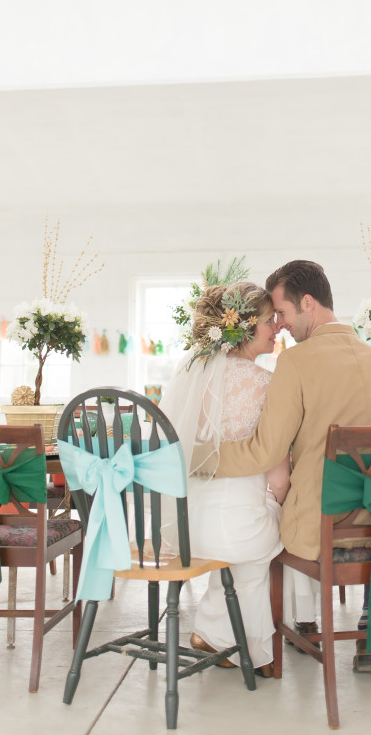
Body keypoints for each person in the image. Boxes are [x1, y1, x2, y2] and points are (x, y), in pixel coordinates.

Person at [210, 260, 371, 669]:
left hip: (323, 528)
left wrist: (204, 458)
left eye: (281, 312)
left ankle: (291, 625)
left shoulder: (296, 362)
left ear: (308, 303)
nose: (279, 324)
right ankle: (368, 626)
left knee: (258, 519)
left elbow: (265, 452)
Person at [160, 280, 288, 676]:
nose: (277, 328)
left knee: (243, 544)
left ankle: (219, 632)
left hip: (179, 529)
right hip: (234, 529)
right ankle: (226, 635)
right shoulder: (266, 384)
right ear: (246, 327)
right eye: (270, 321)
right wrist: (280, 500)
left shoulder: (185, 378)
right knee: (280, 528)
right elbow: (279, 476)